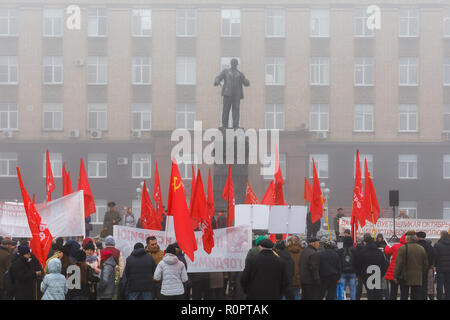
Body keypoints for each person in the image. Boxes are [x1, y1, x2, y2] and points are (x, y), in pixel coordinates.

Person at [214, 58, 250, 128]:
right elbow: (218, 77)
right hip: (227, 94)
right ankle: (224, 125)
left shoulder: (240, 74)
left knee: (236, 110)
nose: (234, 65)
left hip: (236, 95)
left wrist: (246, 81)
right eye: (233, 63)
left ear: (237, 65)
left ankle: (235, 126)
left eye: (235, 63)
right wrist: (216, 81)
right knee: (225, 109)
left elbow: (246, 83)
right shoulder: (225, 71)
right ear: (231, 64)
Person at [393, 231, 429, 300]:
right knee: (416, 296)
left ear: (407, 239)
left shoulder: (402, 248)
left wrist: (395, 276)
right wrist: (420, 272)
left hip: (405, 276)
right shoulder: (421, 248)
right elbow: (425, 264)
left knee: (404, 295)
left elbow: (398, 264)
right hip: (417, 277)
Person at [354, 233, 388, 300]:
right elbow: (385, 264)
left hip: (367, 276)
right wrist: (381, 274)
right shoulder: (379, 252)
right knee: (378, 293)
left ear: (365, 242)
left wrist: (360, 275)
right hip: (377, 275)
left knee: (370, 294)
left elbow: (358, 265)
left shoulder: (362, 252)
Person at [384, 234, 406, 300]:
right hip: (404, 272)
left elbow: (387, 252)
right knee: (404, 291)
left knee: (393, 291)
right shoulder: (408, 247)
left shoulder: (396, 246)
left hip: (393, 271)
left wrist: (387, 247)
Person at [416, 231, 435, 300]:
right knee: (425, 285)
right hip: (427, 269)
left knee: (417, 286)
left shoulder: (415, 245)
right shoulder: (429, 246)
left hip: (416, 269)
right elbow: (433, 257)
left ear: (417, 237)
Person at [337, 235, 357, 300]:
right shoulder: (355, 251)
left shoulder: (340, 251)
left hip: (342, 273)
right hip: (352, 273)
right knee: (352, 290)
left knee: (342, 290)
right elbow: (357, 262)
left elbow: (337, 262)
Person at [434, 231, 450, 300]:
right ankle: (447, 297)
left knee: (439, 284)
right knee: (448, 284)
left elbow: (435, 256)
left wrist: (434, 265)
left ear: (441, 235)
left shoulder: (437, 245)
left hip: (440, 268)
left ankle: (439, 297)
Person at [286, 236, 302, 300]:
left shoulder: (286, 251)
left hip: (288, 278)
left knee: (287, 296)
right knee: (297, 295)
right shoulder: (302, 251)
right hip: (299, 278)